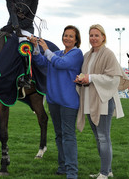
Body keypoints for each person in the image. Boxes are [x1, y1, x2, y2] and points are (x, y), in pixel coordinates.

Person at [74, 24, 129, 179]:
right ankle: (107, 170)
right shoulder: (87, 55)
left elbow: (113, 79)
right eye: (91, 35)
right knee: (98, 137)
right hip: (89, 99)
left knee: (104, 137)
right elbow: (86, 74)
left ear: (103, 37)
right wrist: (81, 79)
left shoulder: (108, 54)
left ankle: (104, 173)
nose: (93, 38)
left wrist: (90, 78)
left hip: (104, 100)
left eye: (96, 35)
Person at [29, 25, 83, 179]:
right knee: (59, 135)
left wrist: (46, 49)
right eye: (65, 35)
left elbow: (61, 64)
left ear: (76, 40)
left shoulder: (76, 53)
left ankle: (72, 171)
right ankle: (63, 166)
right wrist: (35, 47)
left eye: (71, 36)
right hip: (54, 101)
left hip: (68, 102)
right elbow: (39, 61)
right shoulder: (57, 53)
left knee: (68, 136)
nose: (67, 38)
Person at [1, 0, 38, 88]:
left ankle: (27, 77)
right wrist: (14, 27)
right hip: (12, 25)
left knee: (24, 46)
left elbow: (30, 17)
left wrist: (19, 28)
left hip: (27, 27)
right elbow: (12, 11)